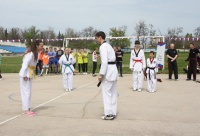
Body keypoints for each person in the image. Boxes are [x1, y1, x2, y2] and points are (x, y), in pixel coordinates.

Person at [95, 31, 118, 120]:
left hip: (108, 71)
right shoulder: (109, 46)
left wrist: (101, 74)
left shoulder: (103, 47)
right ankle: (113, 112)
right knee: (113, 93)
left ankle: (108, 114)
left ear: (100, 37)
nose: (96, 40)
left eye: (96, 38)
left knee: (107, 93)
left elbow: (104, 62)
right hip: (113, 70)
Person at [19, 40, 43, 116]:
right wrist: (24, 75)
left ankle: (28, 108)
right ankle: (26, 109)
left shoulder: (36, 54)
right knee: (26, 92)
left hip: (30, 73)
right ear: (37, 46)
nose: (42, 47)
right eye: (41, 46)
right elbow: (24, 64)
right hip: (25, 74)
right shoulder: (30, 54)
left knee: (29, 92)